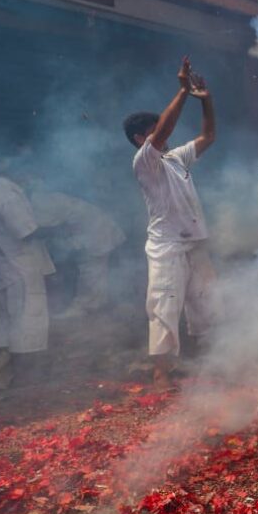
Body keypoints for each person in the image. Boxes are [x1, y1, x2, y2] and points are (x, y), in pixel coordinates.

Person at [123, 57, 216, 388]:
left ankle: (207, 363)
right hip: (167, 246)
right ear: (139, 138)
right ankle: (161, 373)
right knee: (164, 306)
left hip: (194, 242)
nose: (161, 134)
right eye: (153, 131)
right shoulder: (144, 161)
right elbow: (165, 130)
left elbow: (208, 135)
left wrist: (205, 100)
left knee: (205, 302)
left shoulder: (176, 158)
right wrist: (182, 92)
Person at [0, 170, 55, 388]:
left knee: (9, 323)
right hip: (18, 269)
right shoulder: (7, 196)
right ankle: (23, 377)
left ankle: (1, 377)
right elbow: (27, 232)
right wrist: (58, 230)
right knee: (26, 322)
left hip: (6, 269)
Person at [29, 187, 125, 317]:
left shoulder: (41, 202)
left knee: (92, 271)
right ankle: (96, 301)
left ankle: (86, 306)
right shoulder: (42, 198)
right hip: (89, 231)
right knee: (93, 271)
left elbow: (42, 230)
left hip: (96, 233)